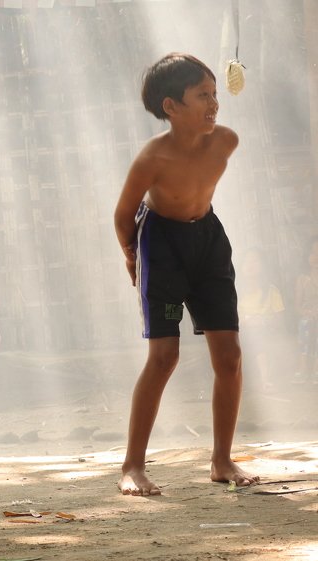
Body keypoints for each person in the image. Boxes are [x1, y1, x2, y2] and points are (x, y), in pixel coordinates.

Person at [113, 53, 259, 496]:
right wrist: (131, 256)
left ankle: (221, 459)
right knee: (164, 357)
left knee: (230, 356)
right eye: (202, 96)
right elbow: (123, 215)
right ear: (171, 106)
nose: (213, 103)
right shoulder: (151, 158)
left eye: (214, 94)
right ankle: (132, 467)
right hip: (162, 247)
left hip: (209, 243)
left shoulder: (226, 141)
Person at [236, 247, 286, 390]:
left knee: (259, 335)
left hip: (266, 331)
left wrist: (263, 321)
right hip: (241, 331)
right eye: (246, 261)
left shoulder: (271, 291)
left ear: (263, 266)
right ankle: (261, 380)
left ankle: (265, 380)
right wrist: (245, 321)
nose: (250, 265)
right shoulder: (235, 291)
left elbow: (280, 319)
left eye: (255, 261)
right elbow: (230, 316)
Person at [293, 237, 318, 383]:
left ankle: (316, 368)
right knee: (306, 324)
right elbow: (297, 306)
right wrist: (307, 313)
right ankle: (302, 368)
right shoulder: (302, 279)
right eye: (312, 253)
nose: (316, 256)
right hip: (308, 316)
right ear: (307, 256)